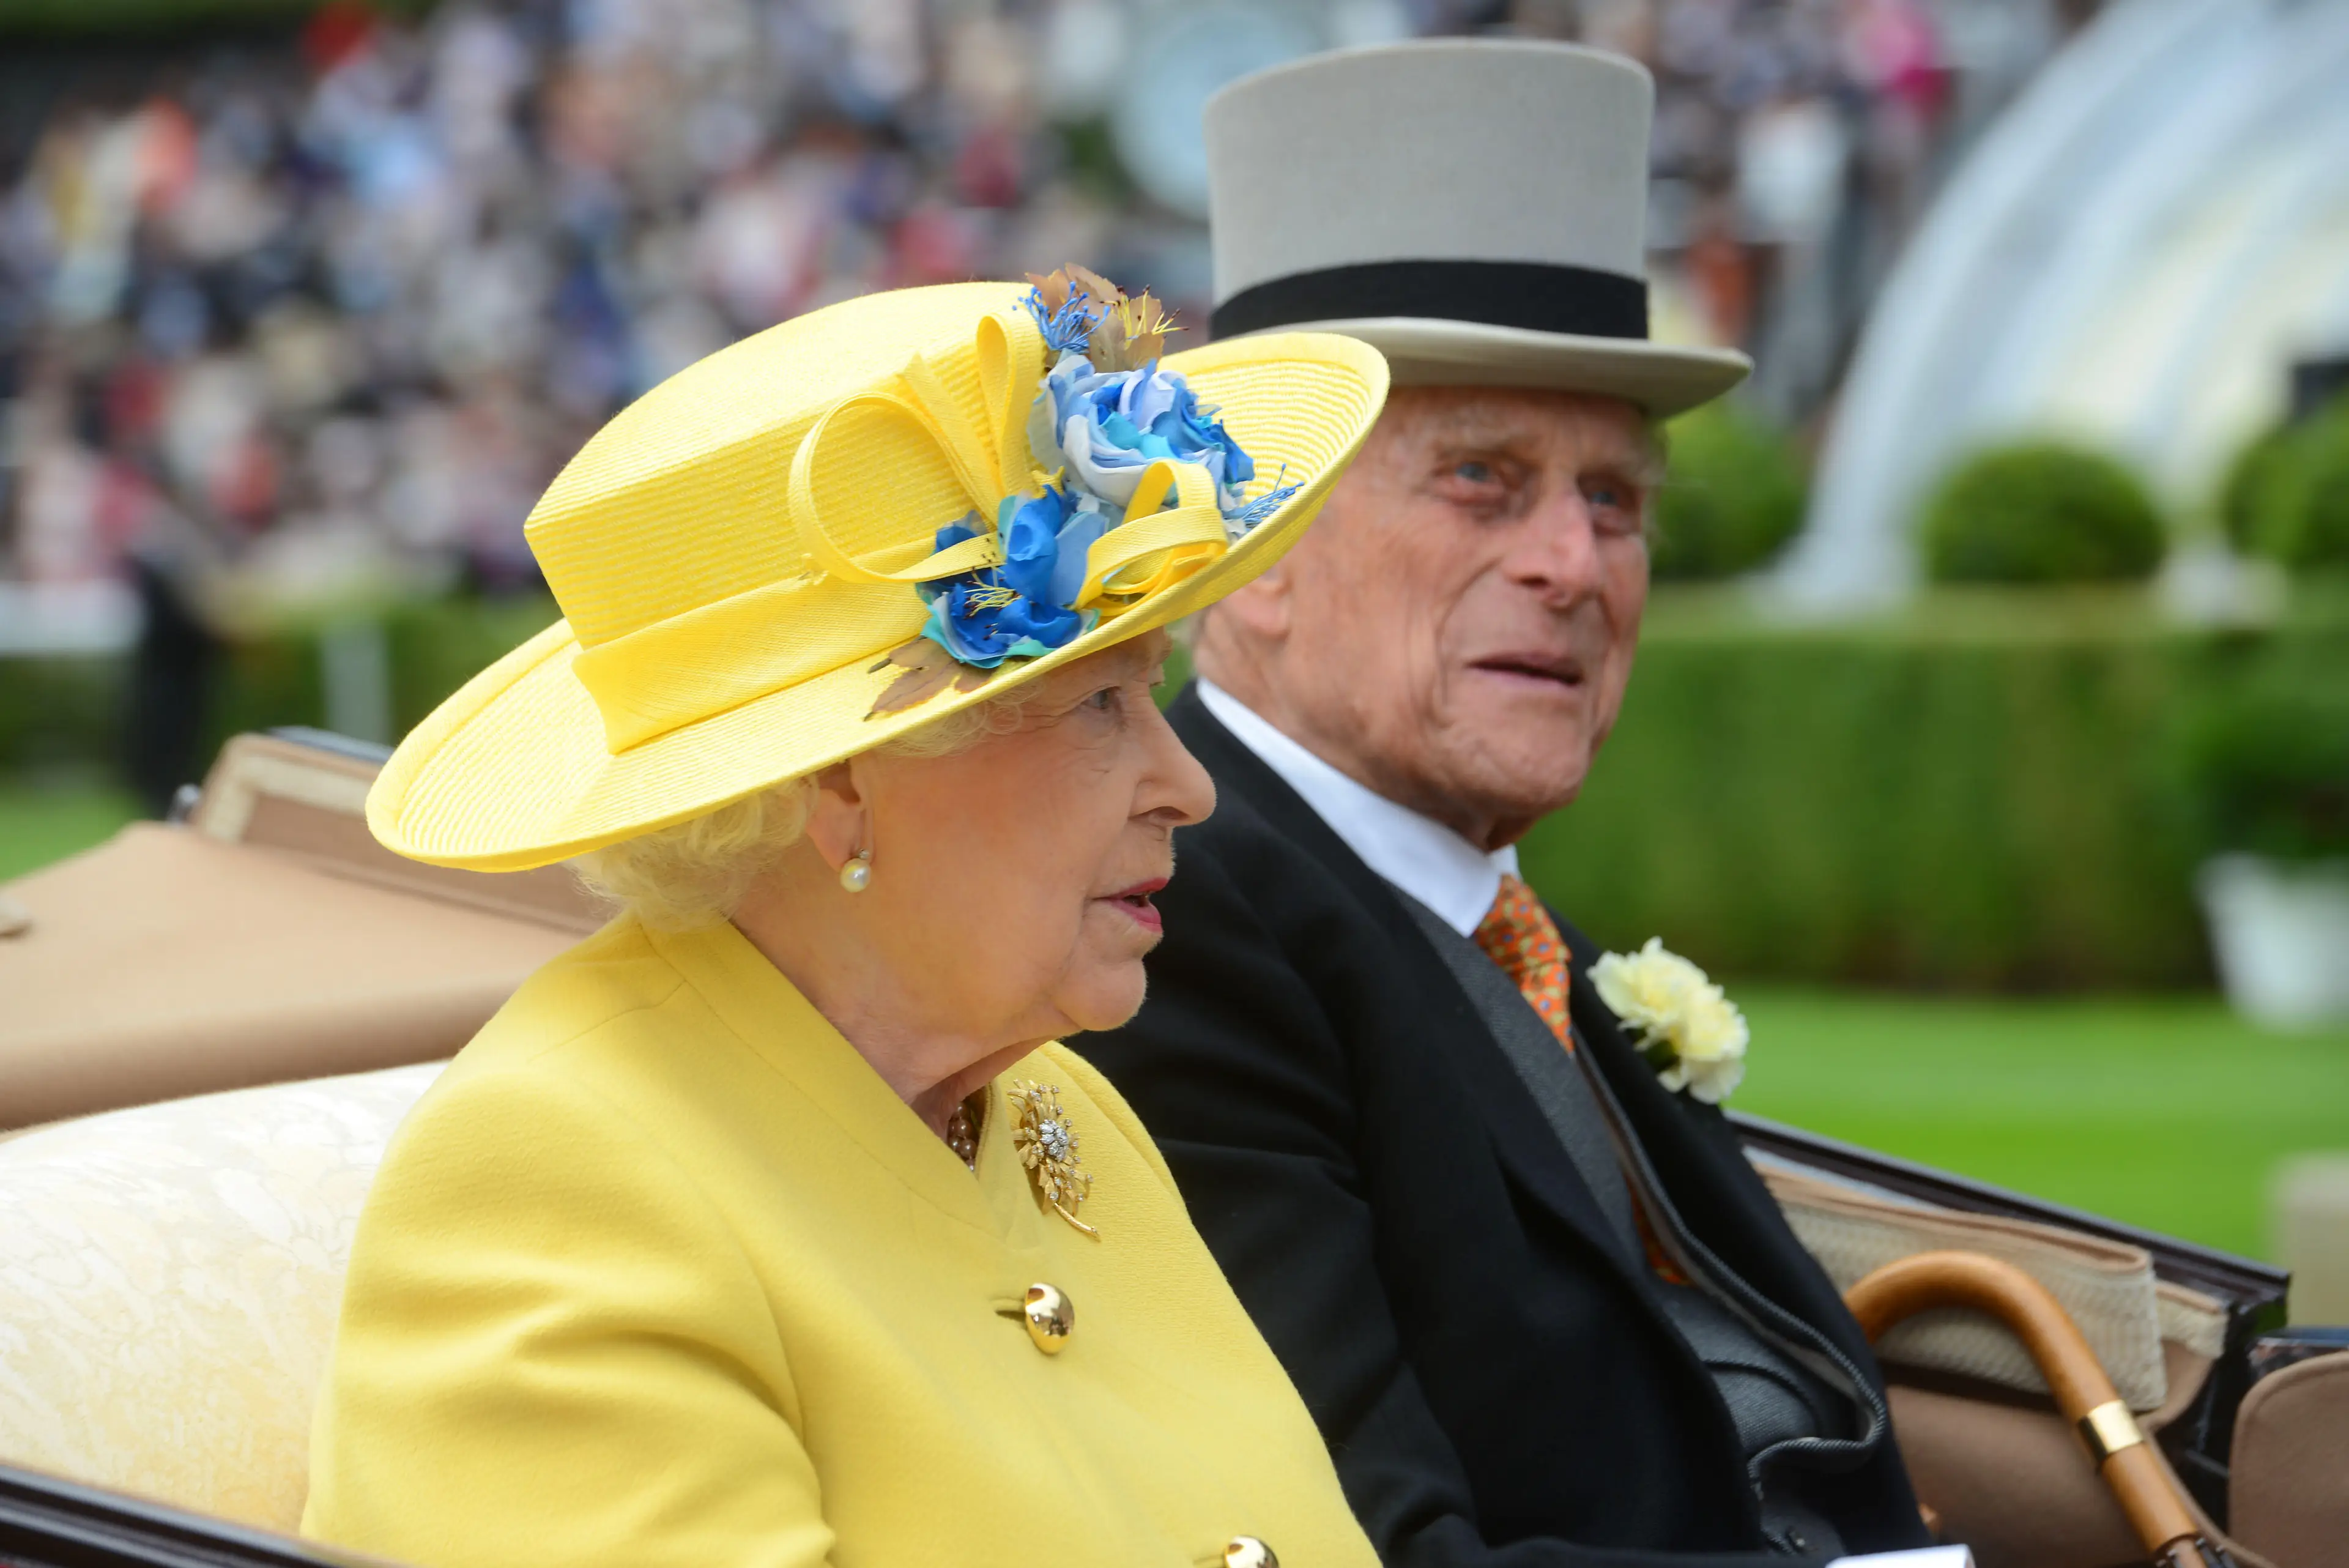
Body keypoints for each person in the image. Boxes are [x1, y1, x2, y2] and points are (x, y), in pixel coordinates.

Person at [301, 273, 1392, 1568]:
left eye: (1147, 691)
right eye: (1096, 704)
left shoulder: (1051, 1101)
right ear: (839, 787)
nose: (1189, 787)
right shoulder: (555, 1185)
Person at [1077, 42, 1937, 1566]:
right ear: (1253, 554)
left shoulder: (1506, 932)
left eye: (1615, 499)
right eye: (1482, 478)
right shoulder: (1170, 925)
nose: (1573, 564)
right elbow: (1375, 1545)